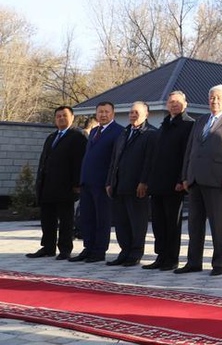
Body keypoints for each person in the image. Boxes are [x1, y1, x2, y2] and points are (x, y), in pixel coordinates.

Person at [176, 84, 222, 277]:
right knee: (194, 224)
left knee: (218, 225)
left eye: (218, 98)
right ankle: (193, 262)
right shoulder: (200, 121)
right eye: (212, 97)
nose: (214, 101)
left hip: (218, 181)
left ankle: (219, 263)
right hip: (195, 180)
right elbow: (190, 150)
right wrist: (185, 176)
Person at [27, 106, 88, 260]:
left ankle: (65, 248)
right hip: (47, 185)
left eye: (64, 115)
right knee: (47, 218)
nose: (61, 118)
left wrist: (77, 183)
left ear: (72, 117)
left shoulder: (78, 136)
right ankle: (48, 247)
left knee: (66, 219)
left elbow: (79, 161)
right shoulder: (52, 137)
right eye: (58, 116)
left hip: (66, 185)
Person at [144, 90, 194, 271]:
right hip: (157, 182)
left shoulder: (189, 125)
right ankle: (161, 256)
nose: (174, 105)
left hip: (174, 183)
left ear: (185, 104)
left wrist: (182, 179)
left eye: (177, 102)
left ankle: (171, 258)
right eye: (171, 102)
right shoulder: (164, 124)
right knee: (158, 223)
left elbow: (187, 155)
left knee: (172, 223)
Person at [106, 101, 159, 266]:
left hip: (137, 187)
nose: (132, 115)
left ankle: (135, 253)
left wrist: (144, 182)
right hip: (119, 185)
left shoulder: (151, 134)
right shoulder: (124, 133)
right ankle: (124, 251)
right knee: (121, 223)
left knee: (137, 222)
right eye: (131, 112)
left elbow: (150, 161)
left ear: (146, 114)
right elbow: (114, 159)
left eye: (136, 112)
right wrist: (110, 181)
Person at [70, 101, 123, 263]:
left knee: (102, 219)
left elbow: (116, 159)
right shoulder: (94, 131)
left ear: (113, 114)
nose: (103, 114)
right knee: (87, 217)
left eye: (107, 112)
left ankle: (99, 250)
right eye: (100, 112)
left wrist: (110, 181)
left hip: (103, 183)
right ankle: (88, 247)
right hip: (87, 182)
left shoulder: (119, 131)